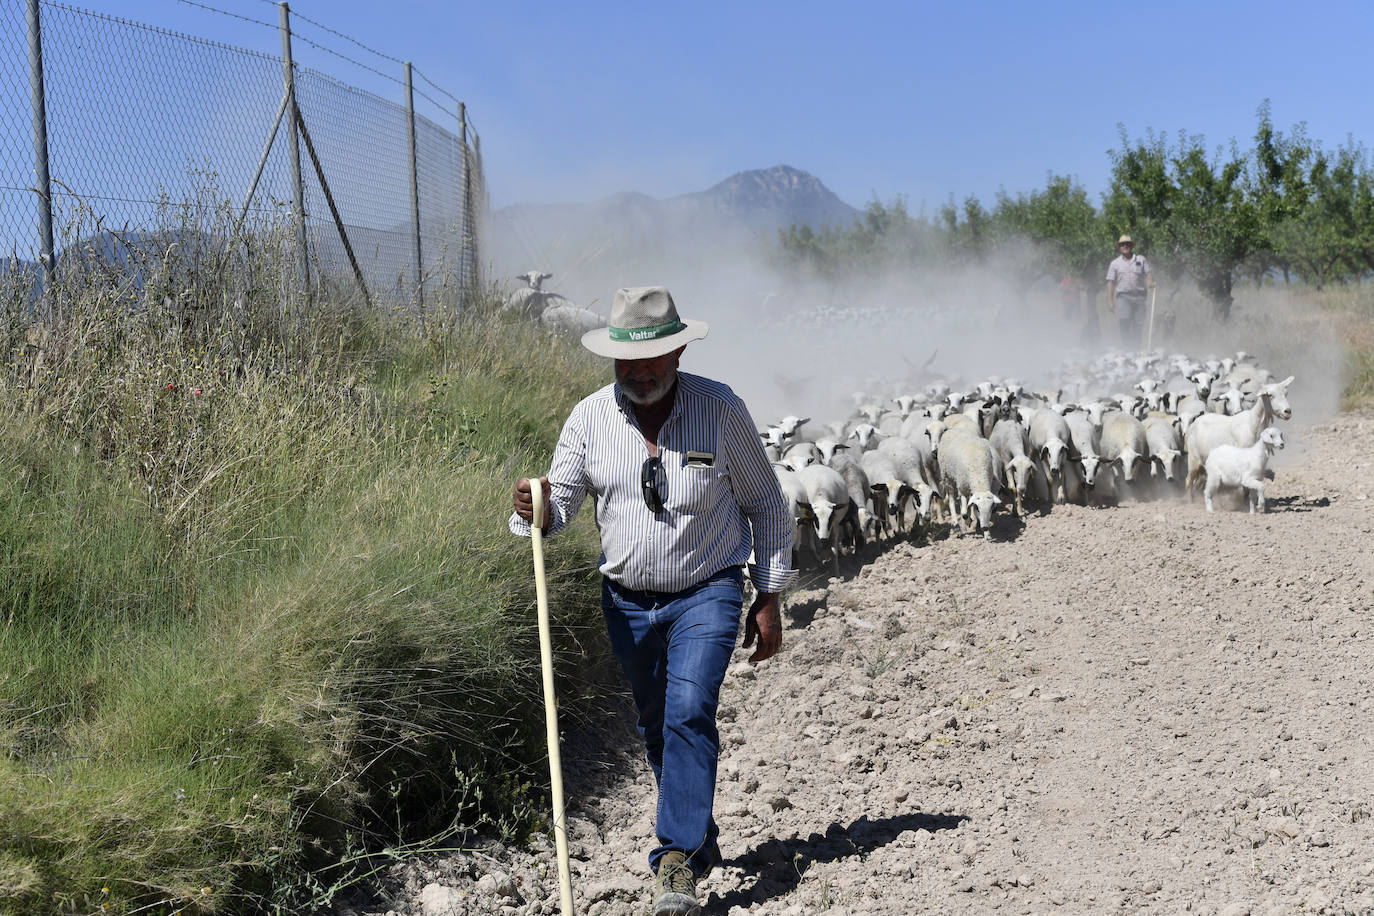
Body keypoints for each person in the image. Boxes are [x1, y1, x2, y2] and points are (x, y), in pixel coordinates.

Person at [510, 285, 795, 916]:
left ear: (678, 353)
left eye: (654, 359)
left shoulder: (720, 410)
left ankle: (675, 862)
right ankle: (698, 833)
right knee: (655, 720)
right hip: (627, 602)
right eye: (627, 362)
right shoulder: (589, 419)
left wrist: (770, 593)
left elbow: (766, 503)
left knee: (689, 709)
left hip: (708, 589)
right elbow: (559, 505)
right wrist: (536, 507)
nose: (640, 374)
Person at [1106, 234, 1156, 349]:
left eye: (1127, 244)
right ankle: (1126, 347)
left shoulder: (1141, 259)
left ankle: (1136, 348)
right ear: (1119, 247)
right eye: (1122, 244)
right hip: (1123, 296)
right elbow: (1110, 282)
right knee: (1124, 320)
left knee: (1138, 323)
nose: (1125, 246)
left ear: (1131, 246)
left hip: (1140, 296)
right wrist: (1110, 301)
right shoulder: (1115, 264)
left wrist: (1150, 282)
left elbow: (1148, 273)